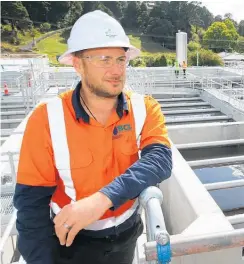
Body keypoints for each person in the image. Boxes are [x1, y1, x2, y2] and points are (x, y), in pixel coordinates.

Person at [13, 10, 172, 264]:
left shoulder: (145, 107)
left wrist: (101, 200)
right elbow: (31, 205)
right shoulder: (47, 119)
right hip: (71, 243)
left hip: (127, 236)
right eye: (104, 59)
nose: (116, 70)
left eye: (121, 59)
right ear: (78, 64)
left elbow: (160, 160)